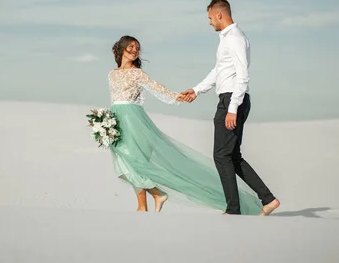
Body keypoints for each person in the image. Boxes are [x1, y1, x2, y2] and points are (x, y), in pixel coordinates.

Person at [107, 35, 263, 214]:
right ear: (121, 49)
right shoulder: (111, 74)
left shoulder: (137, 73)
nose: (135, 51)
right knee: (123, 166)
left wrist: (177, 96)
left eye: (137, 48)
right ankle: (157, 195)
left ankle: (142, 206)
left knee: (136, 161)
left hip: (134, 121)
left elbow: (158, 89)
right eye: (131, 47)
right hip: (116, 120)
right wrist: (105, 121)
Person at [180, 0, 280, 216]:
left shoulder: (234, 38)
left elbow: (243, 75)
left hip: (232, 100)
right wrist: (197, 90)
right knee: (232, 156)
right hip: (230, 99)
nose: (208, 22)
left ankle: (233, 210)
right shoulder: (226, 39)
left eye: (209, 18)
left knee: (221, 156)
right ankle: (268, 199)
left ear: (219, 14)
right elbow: (220, 71)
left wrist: (232, 107)